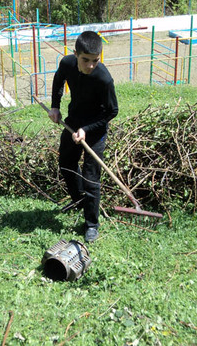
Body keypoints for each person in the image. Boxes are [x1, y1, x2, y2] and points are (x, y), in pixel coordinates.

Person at [47, 30, 119, 243]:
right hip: (74, 121)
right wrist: (55, 106)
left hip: (95, 129)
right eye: (85, 60)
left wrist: (87, 130)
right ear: (75, 54)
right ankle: (80, 201)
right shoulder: (67, 64)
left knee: (90, 176)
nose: (90, 66)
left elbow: (111, 111)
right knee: (66, 163)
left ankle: (91, 224)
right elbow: (58, 80)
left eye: (95, 61)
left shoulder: (103, 78)